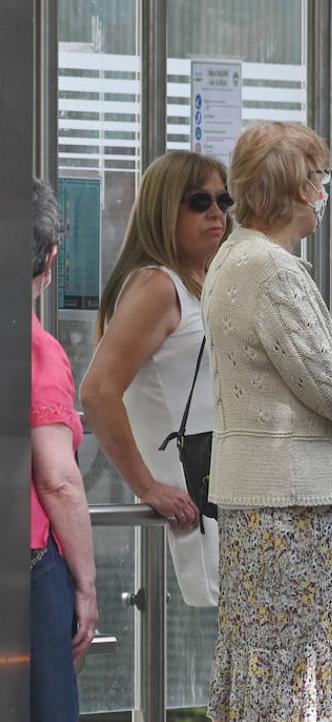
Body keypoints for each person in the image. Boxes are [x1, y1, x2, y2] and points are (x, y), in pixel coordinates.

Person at [198, 121, 332, 722]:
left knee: (252, 691)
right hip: (291, 506)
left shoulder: (234, 258)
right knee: (281, 700)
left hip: (259, 501)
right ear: (300, 190)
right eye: (320, 180)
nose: (325, 192)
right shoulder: (274, 271)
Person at [82, 150, 231, 607]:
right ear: (164, 209)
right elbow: (98, 390)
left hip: (229, 483)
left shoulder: (203, 280)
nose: (216, 213)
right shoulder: (157, 286)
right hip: (200, 495)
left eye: (224, 200)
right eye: (198, 201)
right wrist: (146, 485)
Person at [29, 177, 98, 722]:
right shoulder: (35, 349)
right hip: (25, 576)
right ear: (49, 260)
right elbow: (57, 477)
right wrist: (86, 583)